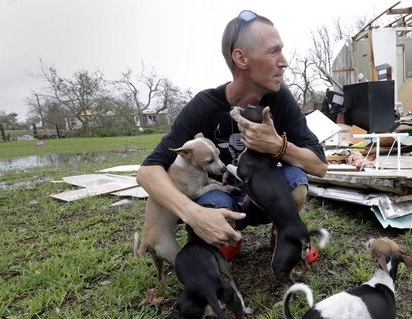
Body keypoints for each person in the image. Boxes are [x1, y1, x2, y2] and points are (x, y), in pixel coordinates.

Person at [136, 10, 328, 258]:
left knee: (296, 182)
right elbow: (147, 172)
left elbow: (320, 166)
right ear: (241, 58)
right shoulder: (205, 104)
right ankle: (226, 236)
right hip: (221, 194)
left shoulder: (281, 99)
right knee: (210, 202)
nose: (284, 61)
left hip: (263, 191)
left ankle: (282, 231)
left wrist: (278, 146)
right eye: (273, 51)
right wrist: (192, 213)